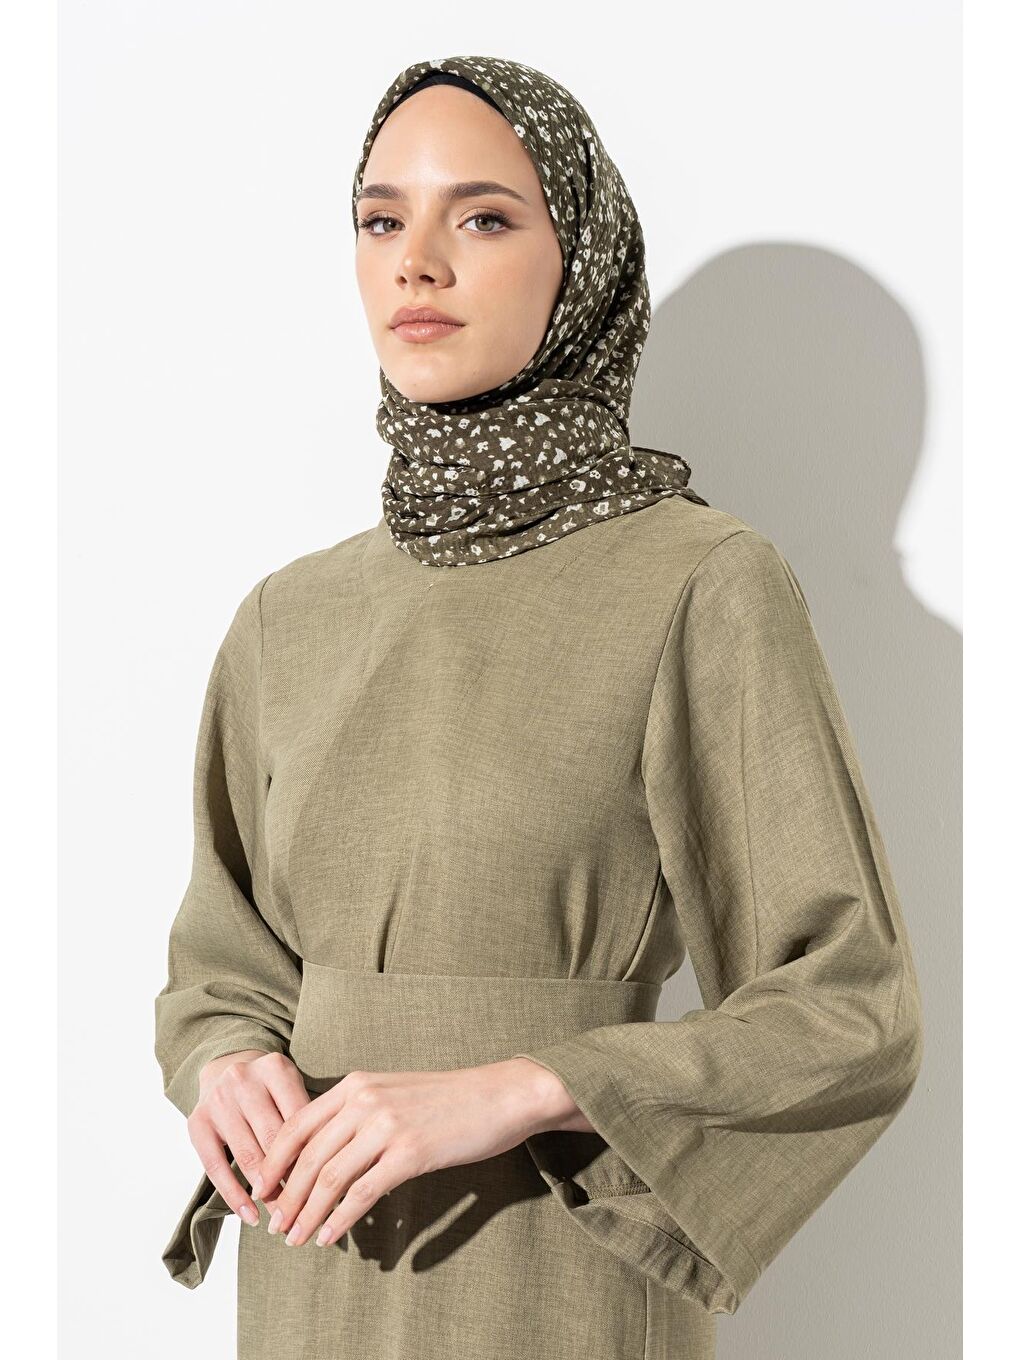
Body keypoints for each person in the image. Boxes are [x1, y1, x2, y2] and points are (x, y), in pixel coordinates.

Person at [154, 54, 924, 1360]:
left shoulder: (701, 582)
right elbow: (225, 958)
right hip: (314, 1266)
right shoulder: (291, 615)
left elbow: (849, 1008)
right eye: (381, 219)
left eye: (484, 216)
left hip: (557, 1274)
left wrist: (528, 1084)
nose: (417, 263)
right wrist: (223, 1060)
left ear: (582, 263)